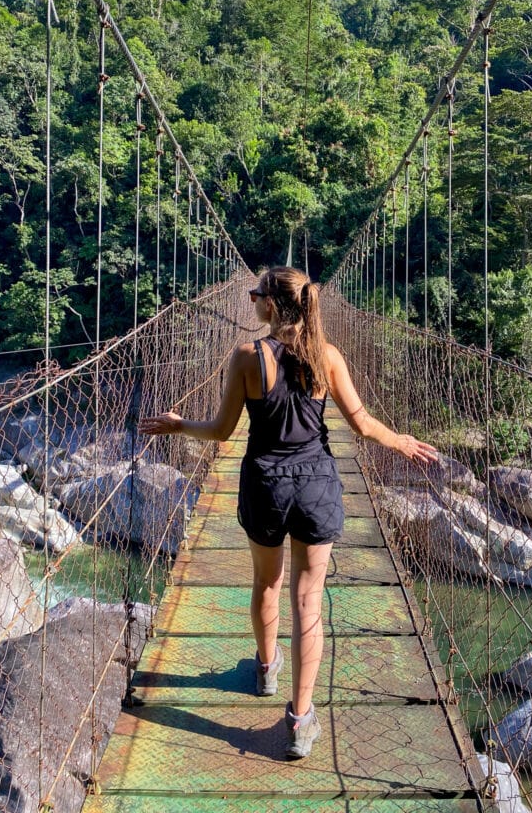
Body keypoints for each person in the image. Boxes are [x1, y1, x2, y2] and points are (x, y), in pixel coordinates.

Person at [139, 266, 438, 760]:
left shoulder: (246, 357)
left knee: (266, 585)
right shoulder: (328, 356)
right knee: (308, 603)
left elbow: (219, 431)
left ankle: (265, 669)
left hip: (264, 486)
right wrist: (400, 441)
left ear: (271, 306)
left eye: (255, 294)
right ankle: (300, 721)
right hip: (317, 486)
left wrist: (179, 425)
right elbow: (361, 425)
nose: (251, 300)